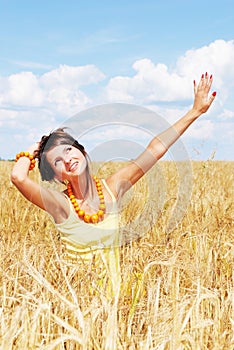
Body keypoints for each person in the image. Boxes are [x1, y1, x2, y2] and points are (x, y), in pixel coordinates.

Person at [11, 73, 216, 261]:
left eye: (68, 150)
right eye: (56, 162)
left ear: (82, 151)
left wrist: (195, 112)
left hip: (114, 295)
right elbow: (19, 178)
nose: (66, 159)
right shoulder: (60, 204)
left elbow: (155, 149)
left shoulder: (112, 188)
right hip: (79, 296)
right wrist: (32, 150)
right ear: (56, 176)